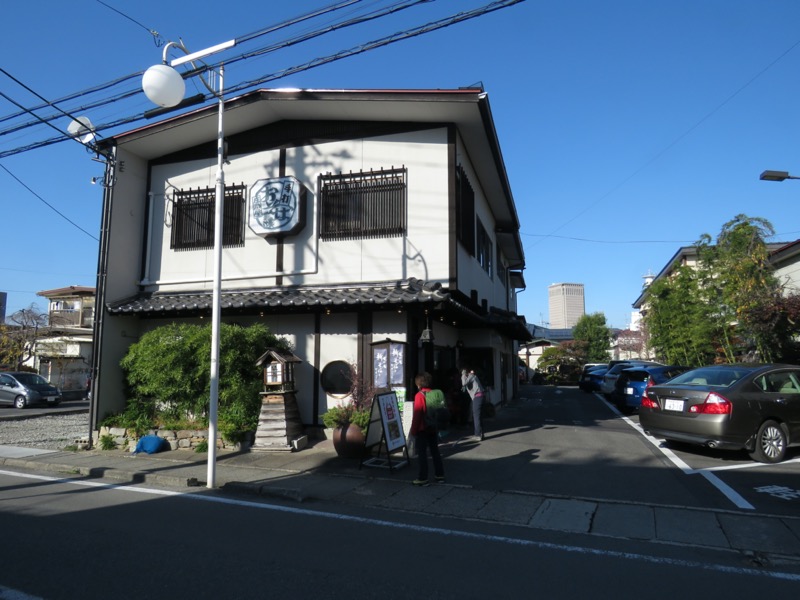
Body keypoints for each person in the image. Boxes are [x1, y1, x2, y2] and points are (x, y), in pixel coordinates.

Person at [409, 371, 445, 486]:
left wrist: (413, 431)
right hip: (433, 427)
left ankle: (423, 478)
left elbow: (417, 415)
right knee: (435, 452)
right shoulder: (436, 394)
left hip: (422, 429)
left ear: (419, 384)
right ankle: (440, 475)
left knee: (422, 454)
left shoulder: (419, 396)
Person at [461, 367, 486, 441]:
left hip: (477, 397)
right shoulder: (473, 376)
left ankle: (478, 435)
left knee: (476, 417)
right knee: (479, 417)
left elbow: (464, 383)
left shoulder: (471, 376)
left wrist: (463, 375)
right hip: (480, 397)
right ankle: (481, 434)